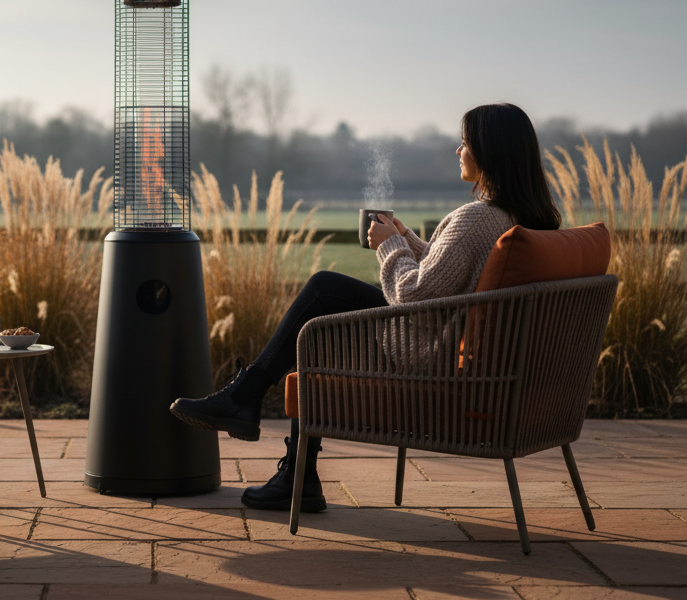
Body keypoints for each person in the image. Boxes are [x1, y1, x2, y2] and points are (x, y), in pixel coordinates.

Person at [170, 103, 561, 512]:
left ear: (488, 152)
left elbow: (414, 298)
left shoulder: (476, 219)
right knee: (325, 300)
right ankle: (268, 432)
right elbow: (454, 279)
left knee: (322, 301)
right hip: (482, 361)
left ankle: (268, 432)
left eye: (464, 143)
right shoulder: (527, 218)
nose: (457, 151)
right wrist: (406, 237)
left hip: (428, 356)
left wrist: (387, 245)